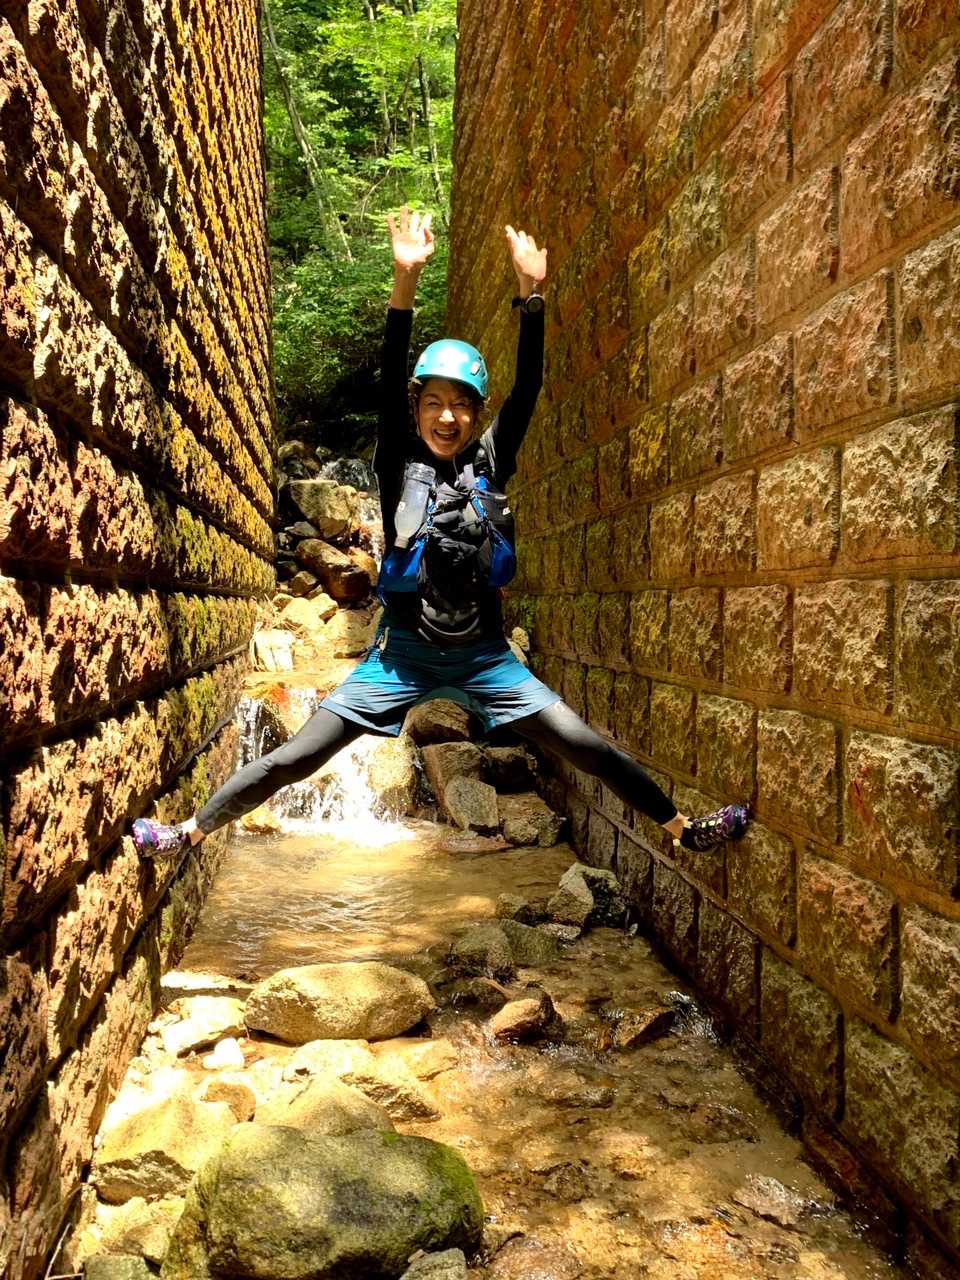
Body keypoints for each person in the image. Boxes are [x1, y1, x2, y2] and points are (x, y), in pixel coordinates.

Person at [132, 209, 749, 859]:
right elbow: (390, 376)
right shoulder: (398, 463)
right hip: (399, 660)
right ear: (417, 408)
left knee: (586, 745)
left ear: (475, 414)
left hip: (486, 659)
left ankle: (685, 831)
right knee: (297, 755)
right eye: (433, 403)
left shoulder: (490, 461)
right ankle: (186, 834)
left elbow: (529, 388)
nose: (446, 417)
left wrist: (532, 296)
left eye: (460, 405)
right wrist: (405, 280)